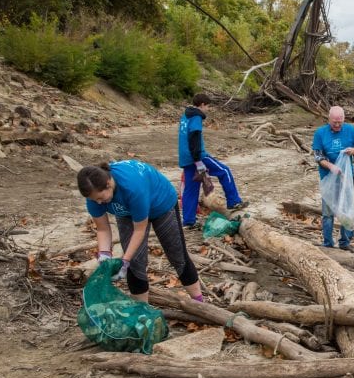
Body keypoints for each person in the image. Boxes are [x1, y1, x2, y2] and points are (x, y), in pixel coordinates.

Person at [77, 160, 203, 304]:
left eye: (100, 198)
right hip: (126, 212)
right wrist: (104, 254)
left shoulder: (132, 187)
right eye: (94, 200)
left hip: (161, 204)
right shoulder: (93, 197)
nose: (98, 203)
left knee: (177, 254)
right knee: (135, 262)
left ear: (108, 184)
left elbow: (140, 229)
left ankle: (199, 303)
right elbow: (103, 228)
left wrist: (124, 260)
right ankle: (142, 310)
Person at [178, 93, 247, 229]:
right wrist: (198, 161)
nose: (208, 109)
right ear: (202, 105)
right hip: (197, 156)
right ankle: (234, 201)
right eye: (208, 106)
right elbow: (194, 139)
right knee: (224, 171)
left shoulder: (185, 115)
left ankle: (188, 221)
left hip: (185, 157)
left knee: (191, 189)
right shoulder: (196, 116)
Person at [312, 105, 354, 250]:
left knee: (347, 209)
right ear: (329, 118)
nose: (337, 125)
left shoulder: (350, 130)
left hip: (346, 178)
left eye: (340, 122)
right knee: (328, 213)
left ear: (343, 119)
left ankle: (345, 242)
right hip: (327, 177)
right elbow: (318, 156)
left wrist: (353, 150)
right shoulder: (320, 133)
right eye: (334, 122)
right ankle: (328, 243)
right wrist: (331, 166)